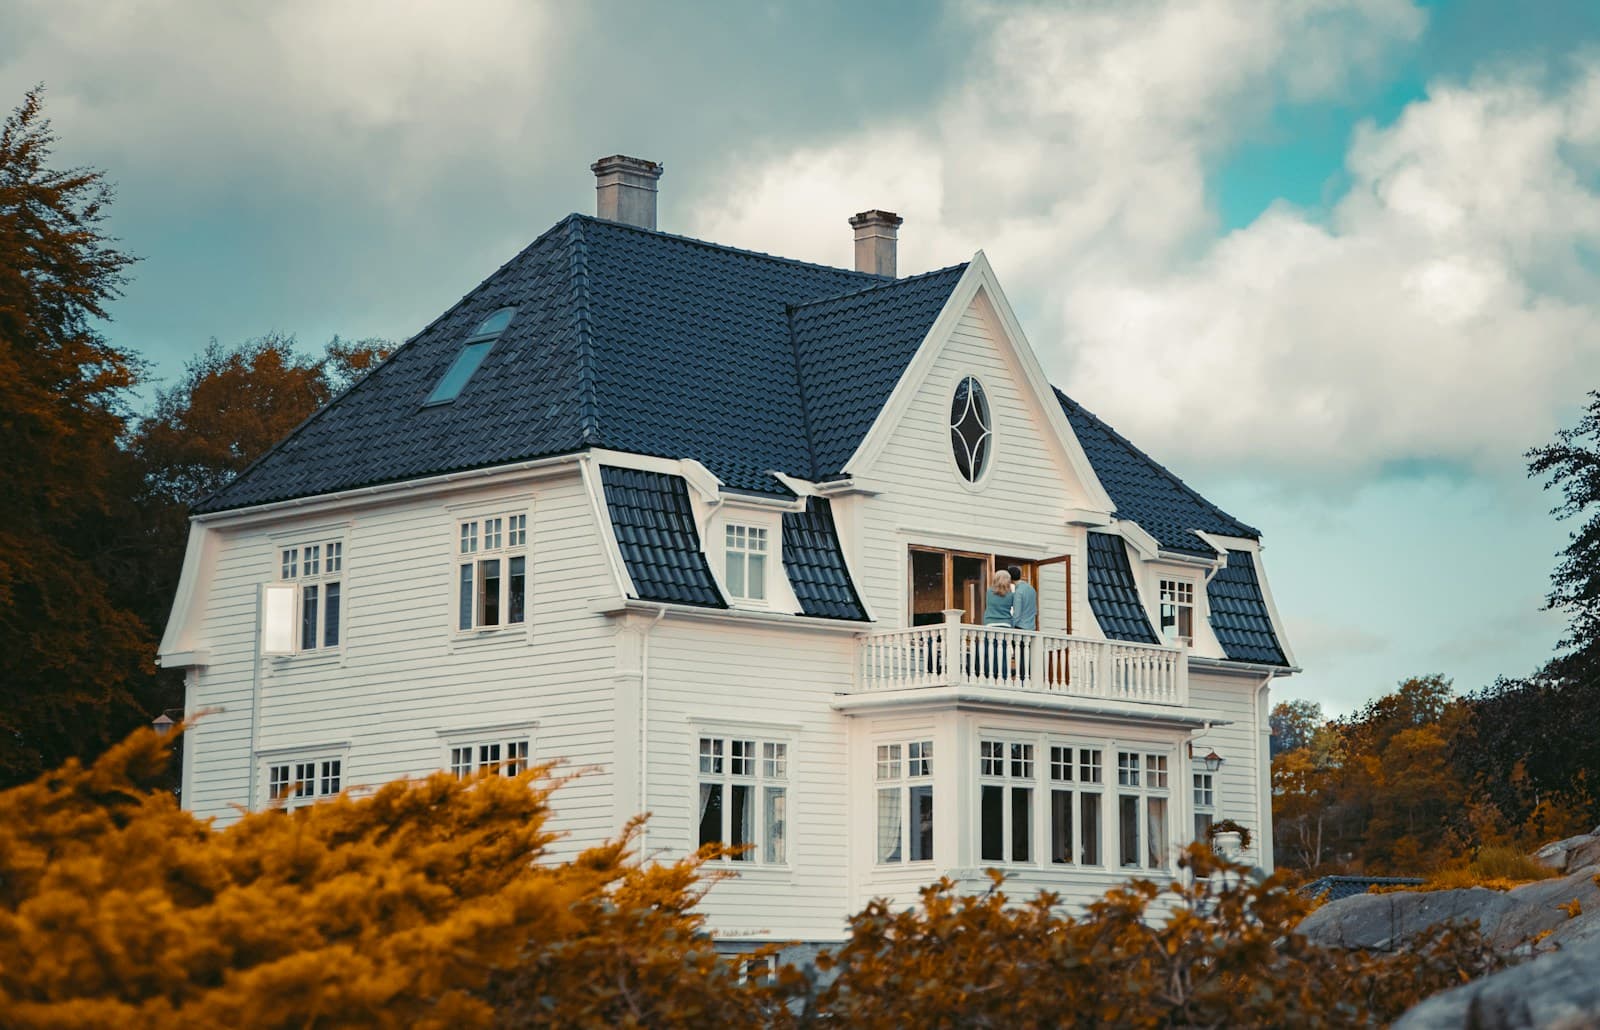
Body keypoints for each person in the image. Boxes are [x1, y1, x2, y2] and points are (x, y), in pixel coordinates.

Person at [980, 570, 1014, 678]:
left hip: (990, 624)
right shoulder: (1011, 595)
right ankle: (1003, 675)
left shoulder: (989, 592)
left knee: (990, 652)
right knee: (1003, 653)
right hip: (1005, 625)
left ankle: (990, 674)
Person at [1008, 565, 1037, 631]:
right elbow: (1035, 610)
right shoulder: (1031, 588)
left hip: (1021, 628)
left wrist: (1011, 627)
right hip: (1032, 628)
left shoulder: (1018, 592)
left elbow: (1017, 614)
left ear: (1010, 578)